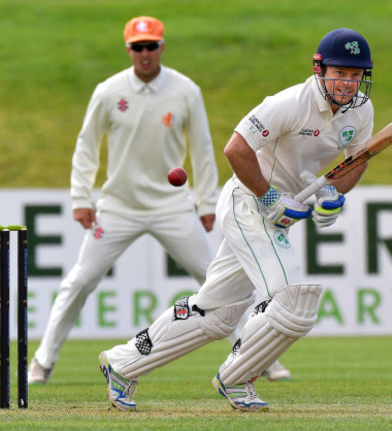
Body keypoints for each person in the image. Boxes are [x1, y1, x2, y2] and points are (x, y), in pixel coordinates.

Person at [97, 27, 374, 411]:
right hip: (248, 202)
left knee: (217, 313)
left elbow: (354, 162)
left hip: (280, 211)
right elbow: (236, 148)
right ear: (318, 68)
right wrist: (270, 196)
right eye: (340, 72)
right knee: (293, 302)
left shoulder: (361, 110)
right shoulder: (288, 103)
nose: (347, 82)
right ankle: (237, 378)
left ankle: (122, 364)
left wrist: (334, 195)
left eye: (356, 74)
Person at [28, 15, 291, 386]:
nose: (145, 54)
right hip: (118, 206)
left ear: (162, 47)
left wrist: (203, 202)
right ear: (129, 50)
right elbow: (87, 146)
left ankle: (257, 359)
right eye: (138, 47)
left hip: (172, 207)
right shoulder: (108, 91)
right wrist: (80, 198)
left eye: (151, 46)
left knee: (216, 282)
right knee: (80, 281)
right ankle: (42, 362)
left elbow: (201, 148)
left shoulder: (186, 91)